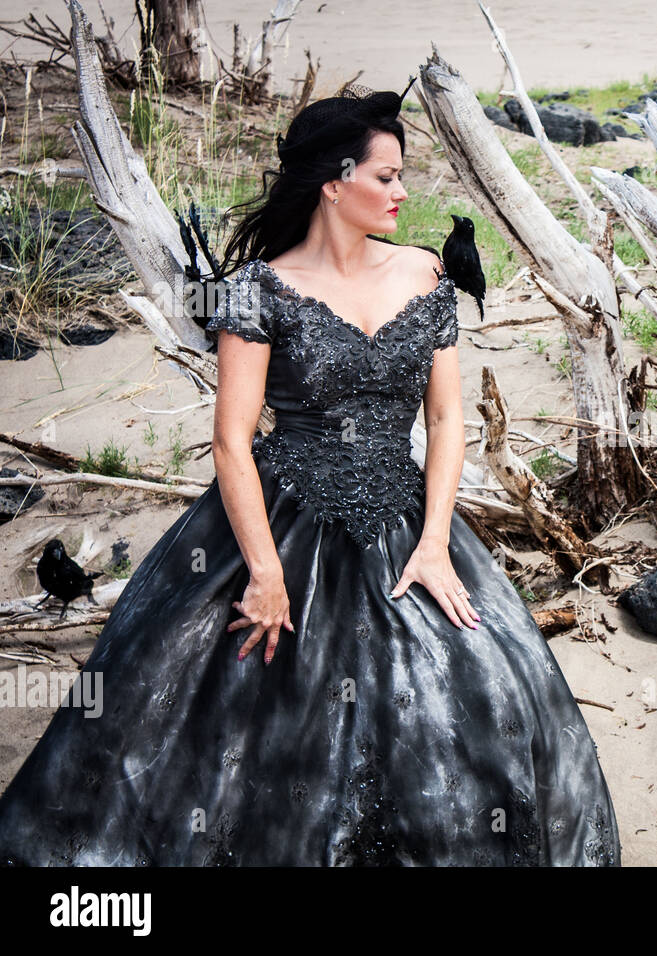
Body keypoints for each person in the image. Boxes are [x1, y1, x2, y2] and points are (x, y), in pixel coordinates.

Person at [0, 85, 620, 866]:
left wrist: (433, 543)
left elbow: (444, 420)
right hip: (279, 515)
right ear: (334, 181)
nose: (402, 192)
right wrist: (262, 570)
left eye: (403, 176)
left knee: (482, 693)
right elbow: (230, 441)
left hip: (407, 520)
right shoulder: (258, 291)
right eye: (386, 176)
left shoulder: (425, 273)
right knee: (222, 719)